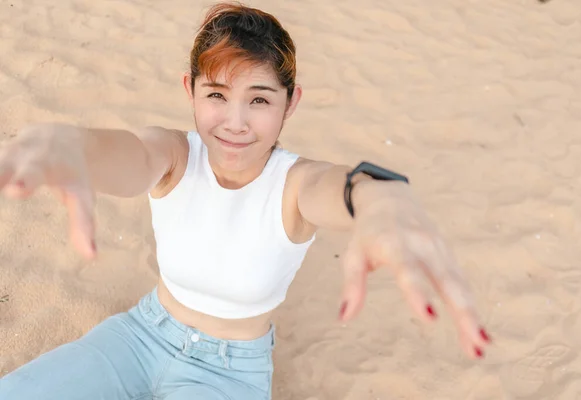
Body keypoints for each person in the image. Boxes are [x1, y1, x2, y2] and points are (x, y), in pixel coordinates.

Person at [0, 2, 491, 399]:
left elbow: (340, 187)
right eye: (216, 95)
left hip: (228, 374)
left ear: (290, 102)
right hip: (137, 337)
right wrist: (78, 145)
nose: (235, 122)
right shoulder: (173, 153)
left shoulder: (294, 183)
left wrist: (381, 196)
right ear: (190, 90)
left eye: (258, 99)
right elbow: (128, 157)